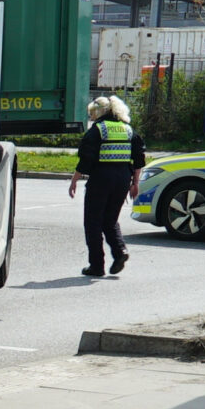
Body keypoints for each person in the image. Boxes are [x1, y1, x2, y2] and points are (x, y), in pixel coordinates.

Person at [66, 94, 143, 277]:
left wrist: (74, 179)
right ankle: (120, 252)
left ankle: (97, 265)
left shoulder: (97, 130)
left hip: (101, 179)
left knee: (93, 222)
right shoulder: (128, 129)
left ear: (100, 112)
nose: (92, 116)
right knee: (110, 220)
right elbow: (139, 159)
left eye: (93, 112)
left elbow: (86, 160)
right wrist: (135, 183)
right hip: (123, 179)